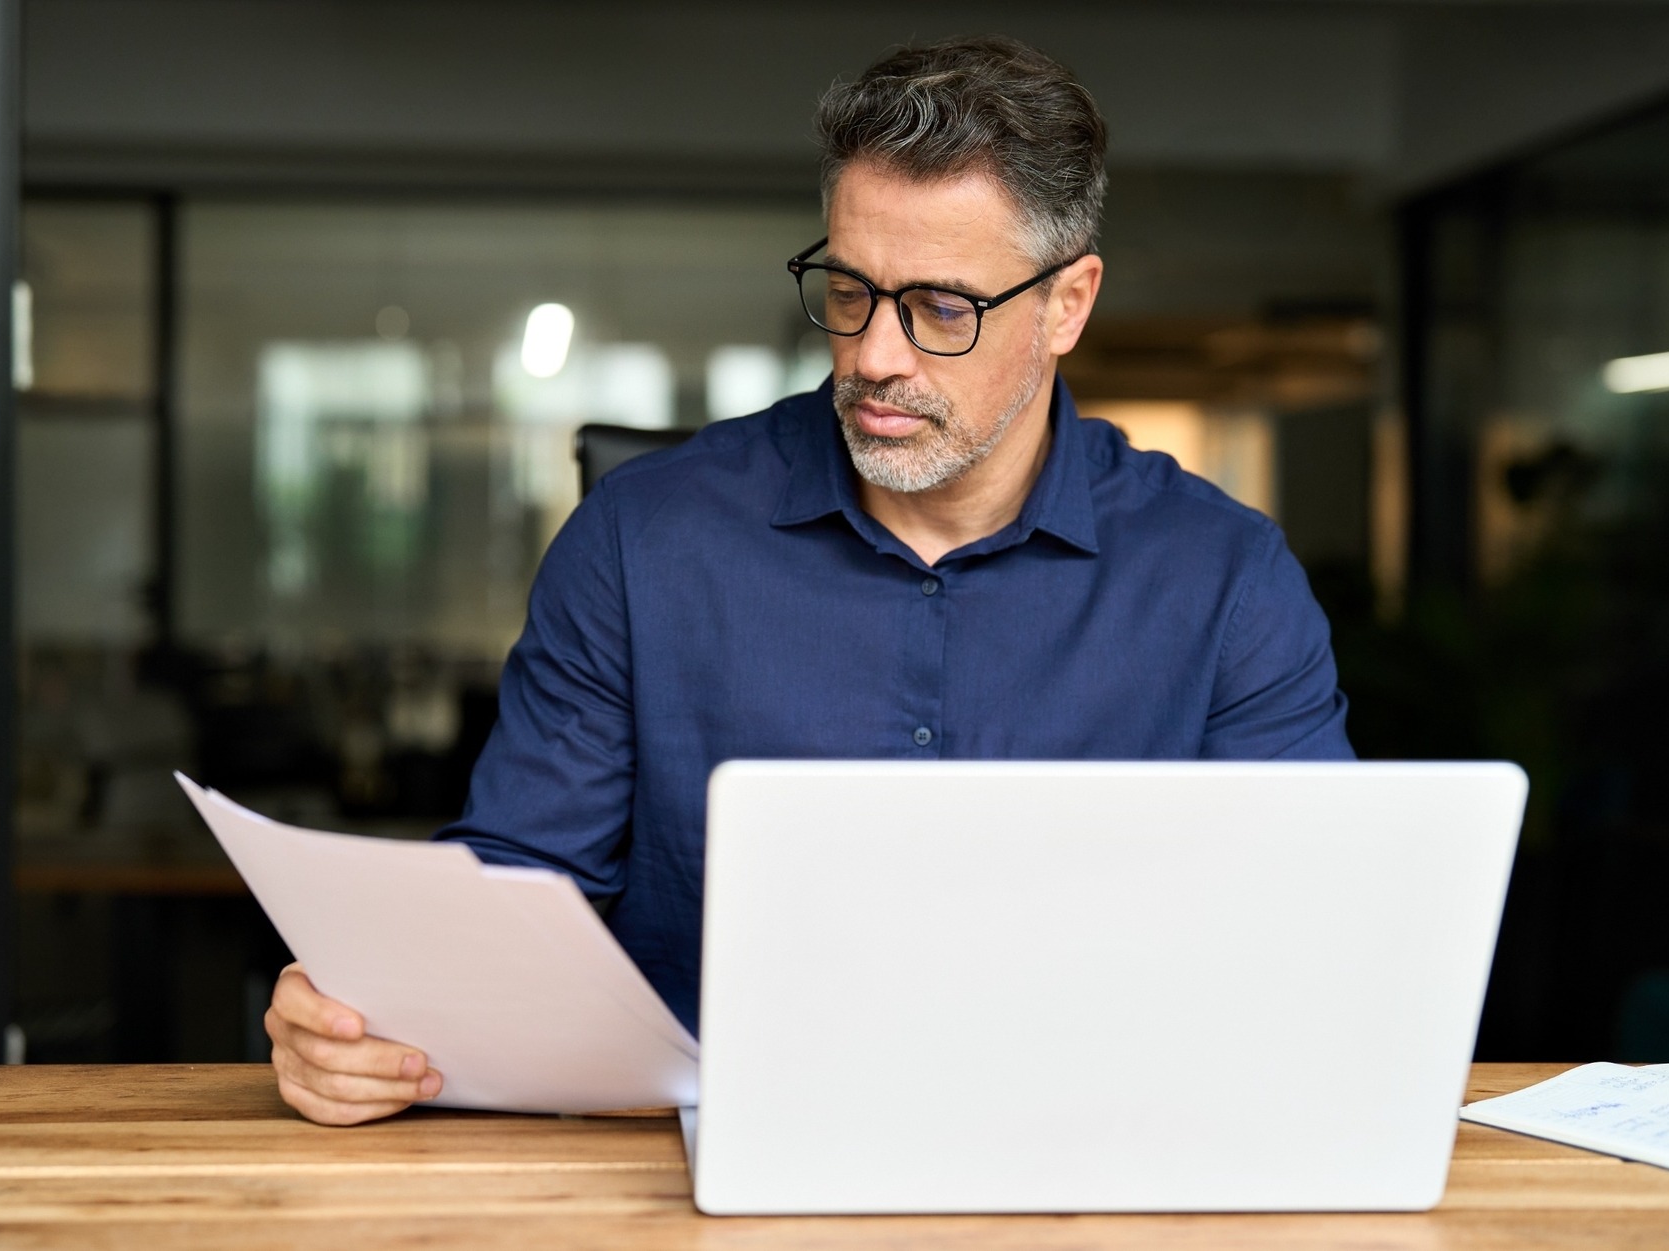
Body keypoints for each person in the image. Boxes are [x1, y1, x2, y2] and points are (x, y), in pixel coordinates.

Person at [264, 35, 1354, 1126]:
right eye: (848, 289)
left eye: (940, 308)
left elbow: (1315, 954)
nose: (876, 355)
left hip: (1093, 1153)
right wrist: (375, 1021)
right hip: (691, 1166)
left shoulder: (1223, 580)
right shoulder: (642, 543)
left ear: (1067, 304)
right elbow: (509, 899)